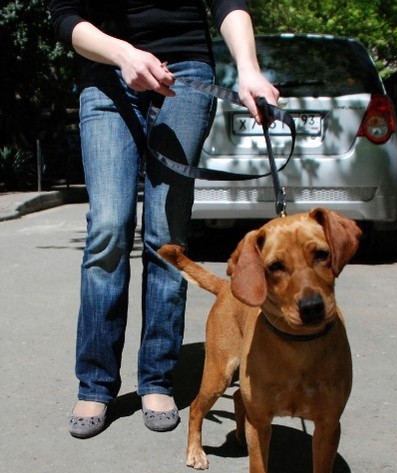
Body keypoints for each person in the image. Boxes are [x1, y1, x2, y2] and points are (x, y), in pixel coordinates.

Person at [49, 0, 279, 438]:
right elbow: (64, 16)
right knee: (108, 228)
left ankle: (157, 378)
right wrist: (122, 53)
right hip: (107, 76)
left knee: (165, 234)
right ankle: (95, 382)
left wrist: (248, 68)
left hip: (185, 71)